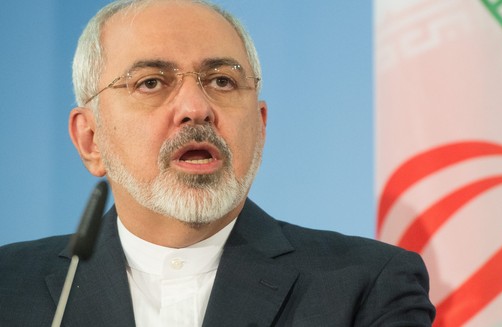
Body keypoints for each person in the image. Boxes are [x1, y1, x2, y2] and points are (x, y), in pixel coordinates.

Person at [0, 0, 435, 326]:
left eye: (222, 81)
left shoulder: (367, 285)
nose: (196, 108)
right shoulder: (9, 286)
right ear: (90, 139)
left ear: (260, 127)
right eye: (151, 82)